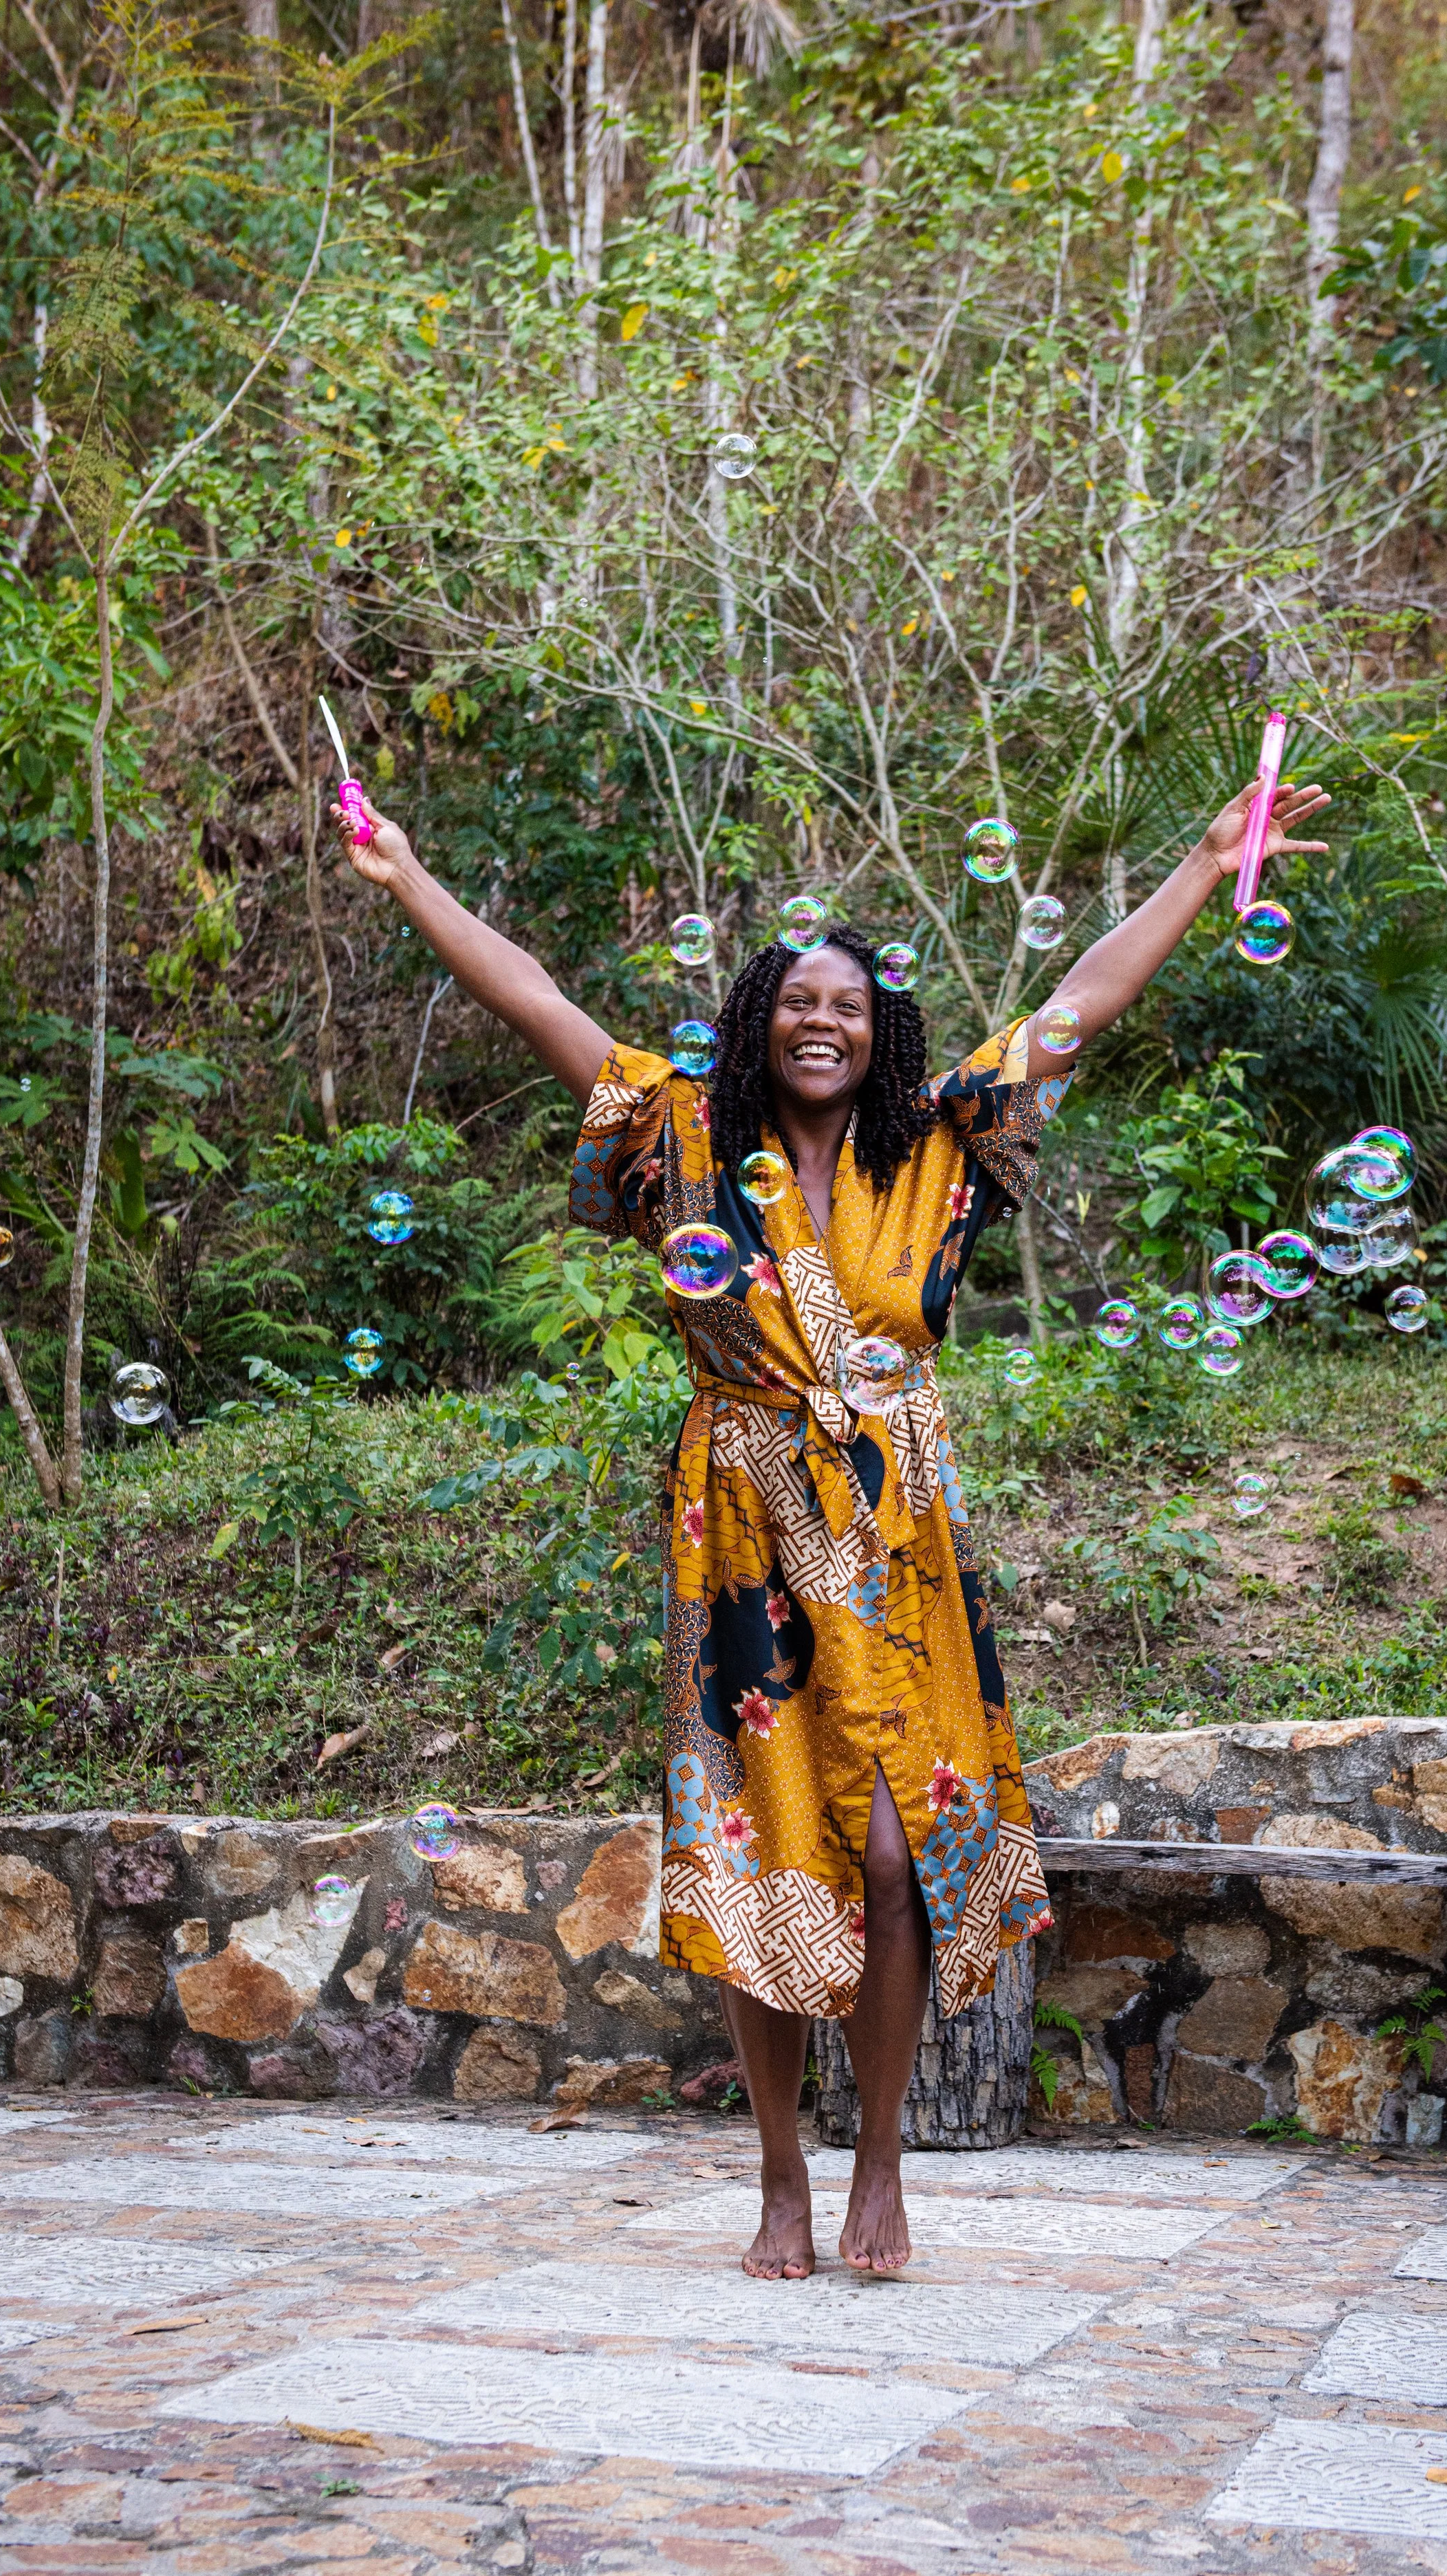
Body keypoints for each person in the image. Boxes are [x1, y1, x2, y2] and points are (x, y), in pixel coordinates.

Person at [336, 770, 1329, 2278]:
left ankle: (882, 2166)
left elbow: (1080, 1001)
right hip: (738, 1524)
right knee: (759, 1855)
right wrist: (405, 873)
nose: (822, 1020)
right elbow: (531, 998)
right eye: (796, 998)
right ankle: (778, 2178)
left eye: (850, 1006)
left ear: (881, 1034)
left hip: (894, 1530)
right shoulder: (676, 1130)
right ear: (755, 1021)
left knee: (884, 1850)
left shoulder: (941, 1138)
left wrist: (1205, 861)